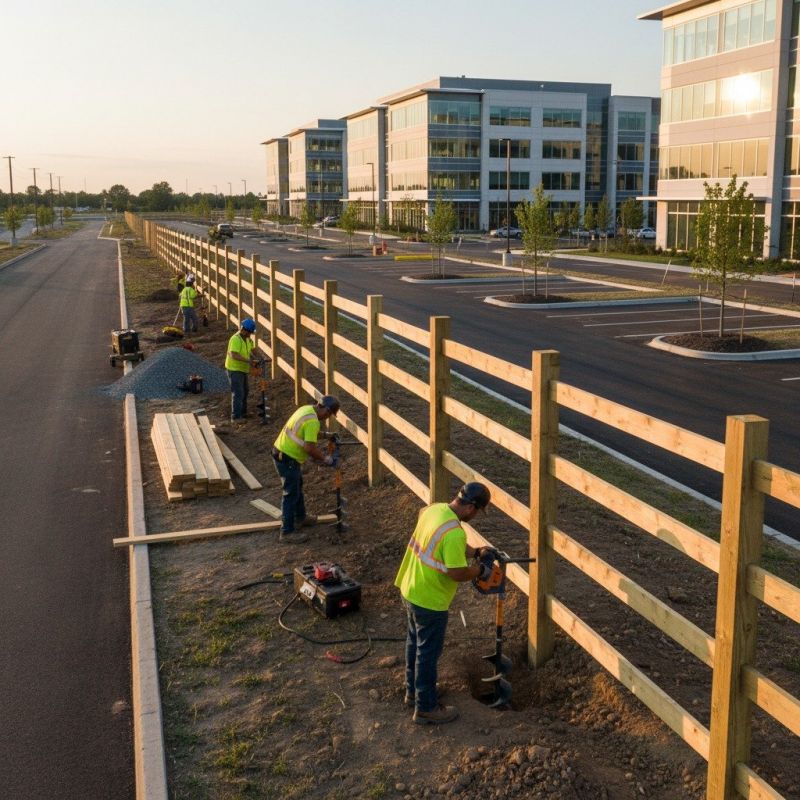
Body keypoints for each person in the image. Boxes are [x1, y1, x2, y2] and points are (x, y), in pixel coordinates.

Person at [394, 482, 495, 725]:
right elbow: (456, 572)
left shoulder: (435, 510)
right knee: (428, 653)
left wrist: (475, 551)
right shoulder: (455, 533)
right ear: (471, 507)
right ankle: (426, 707)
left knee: (414, 643)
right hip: (430, 601)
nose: (475, 517)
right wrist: (480, 570)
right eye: (477, 512)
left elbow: (443, 543)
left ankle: (414, 692)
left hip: (410, 587)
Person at [271, 395, 341, 544]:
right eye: (328, 415)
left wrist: (326, 435)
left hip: (283, 453)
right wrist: (326, 459)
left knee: (297, 486)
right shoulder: (313, 422)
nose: (327, 419)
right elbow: (310, 448)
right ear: (327, 410)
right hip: (287, 458)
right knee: (290, 493)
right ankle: (287, 532)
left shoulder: (306, 409)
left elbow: (305, 434)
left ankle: (301, 517)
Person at [224, 318, 259, 423]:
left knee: (245, 391)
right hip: (234, 369)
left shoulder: (248, 339)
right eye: (250, 332)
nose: (251, 334)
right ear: (244, 330)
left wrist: (261, 358)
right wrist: (249, 361)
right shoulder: (235, 339)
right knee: (238, 392)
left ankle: (243, 413)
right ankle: (235, 417)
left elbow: (253, 350)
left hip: (242, 369)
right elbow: (233, 354)